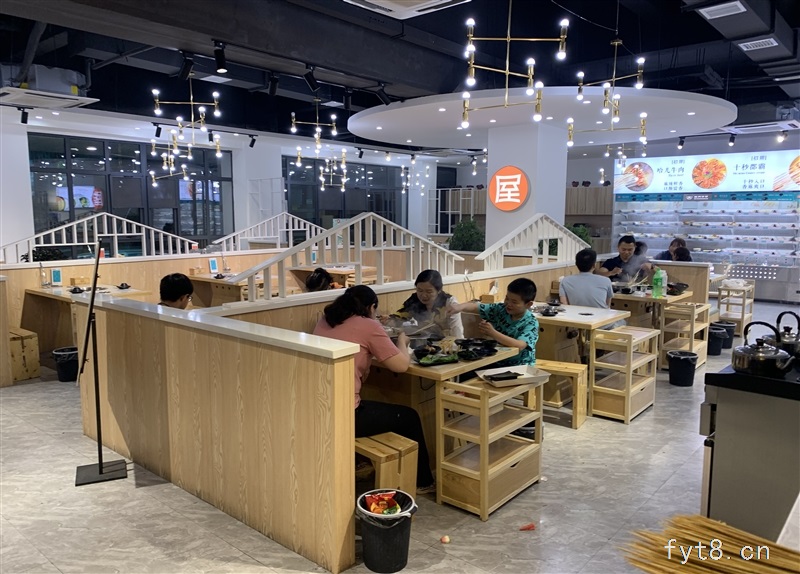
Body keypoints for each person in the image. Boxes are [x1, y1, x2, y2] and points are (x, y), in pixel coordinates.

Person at [312, 285, 435, 493]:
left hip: (320, 405)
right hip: (346, 415)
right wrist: (402, 342)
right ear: (371, 307)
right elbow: (401, 366)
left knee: (377, 406)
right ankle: (423, 482)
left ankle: (360, 462)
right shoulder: (368, 325)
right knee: (409, 416)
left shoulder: (326, 319)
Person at [448, 278, 538, 367]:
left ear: (528, 304)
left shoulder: (531, 322)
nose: (508, 304)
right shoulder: (500, 309)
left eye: (514, 302)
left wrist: (492, 333)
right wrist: (460, 307)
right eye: (507, 298)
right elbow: (476, 307)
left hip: (520, 365)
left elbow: (520, 345)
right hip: (497, 362)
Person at [387, 270, 464, 339]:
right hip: (424, 343)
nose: (423, 295)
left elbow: (457, 333)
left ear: (439, 290)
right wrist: (389, 320)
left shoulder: (450, 303)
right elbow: (399, 317)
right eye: (420, 290)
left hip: (447, 344)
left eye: (429, 292)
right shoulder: (414, 300)